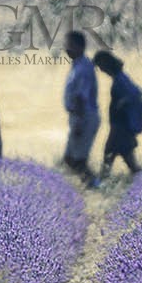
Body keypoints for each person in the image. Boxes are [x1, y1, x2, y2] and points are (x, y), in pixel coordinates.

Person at [94, 49, 142, 176]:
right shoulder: (119, 78)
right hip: (120, 127)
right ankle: (103, 183)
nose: (101, 70)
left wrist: (123, 102)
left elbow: (135, 94)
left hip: (120, 127)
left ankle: (101, 184)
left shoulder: (120, 79)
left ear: (107, 64)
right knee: (126, 158)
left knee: (110, 154)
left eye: (101, 66)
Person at [61, 30, 100, 187]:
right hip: (78, 116)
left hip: (84, 116)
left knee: (77, 159)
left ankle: (95, 185)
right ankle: (91, 184)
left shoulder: (83, 68)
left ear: (80, 46)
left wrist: (78, 122)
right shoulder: (77, 65)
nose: (66, 49)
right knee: (70, 159)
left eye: (69, 45)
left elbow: (80, 98)